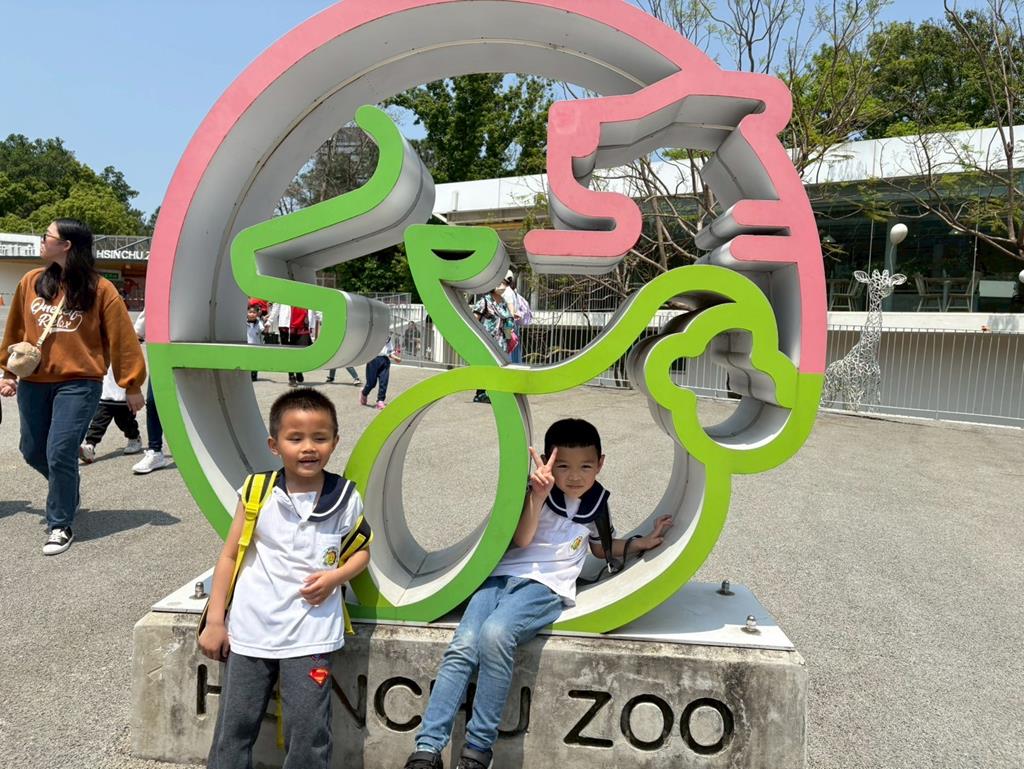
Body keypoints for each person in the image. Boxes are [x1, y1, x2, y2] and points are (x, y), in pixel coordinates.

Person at [402, 418, 674, 769]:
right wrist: (538, 495)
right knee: (463, 645)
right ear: (547, 461)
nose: (574, 476)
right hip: (499, 577)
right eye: (563, 466)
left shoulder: (596, 503)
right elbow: (522, 539)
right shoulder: (537, 492)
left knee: (496, 634)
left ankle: (477, 750)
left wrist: (639, 543)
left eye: (585, 466)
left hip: (546, 587)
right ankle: (427, 749)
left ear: (600, 464)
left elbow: (600, 547)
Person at [198, 388, 371, 769]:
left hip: (311, 636)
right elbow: (229, 555)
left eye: (320, 438)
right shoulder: (257, 492)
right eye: (295, 438)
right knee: (234, 729)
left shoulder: (345, 497)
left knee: (309, 733)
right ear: (274, 445)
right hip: (250, 631)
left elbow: (362, 552)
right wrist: (215, 620)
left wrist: (336, 578)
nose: (308, 448)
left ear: (335, 442)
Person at [0, 218, 146, 555]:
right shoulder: (31, 281)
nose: (41, 240)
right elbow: (16, 329)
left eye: (47, 236)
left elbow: (123, 338)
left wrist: (131, 384)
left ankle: (60, 524)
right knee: (32, 451)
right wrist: (8, 371)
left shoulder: (100, 289)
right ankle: (68, 487)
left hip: (79, 383)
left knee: (60, 451)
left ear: (66, 245)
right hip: (35, 382)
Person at [131, 310, 173, 474]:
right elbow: (138, 332)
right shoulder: (157, 298)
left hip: (191, 351)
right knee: (154, 402)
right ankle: (155, 450)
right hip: (161, 353)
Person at [79, 363, 144, 463]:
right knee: (98, 423)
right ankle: (90, 446)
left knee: (125, 422)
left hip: (124, 395)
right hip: (105, 395)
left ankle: (134, 438)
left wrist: (134, 388)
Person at [470, 286, 514, 404]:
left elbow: (507, 321)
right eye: (500, 283)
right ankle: (480, 394)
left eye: (506, 283)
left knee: (498, 368)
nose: (503, 286)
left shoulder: (503, 303)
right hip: (488, 341)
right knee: (487, 367)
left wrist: (509, 339)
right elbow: (474, 320)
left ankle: (495, 393)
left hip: (501, 342)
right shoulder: (484, 301)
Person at [266, 303, 310, 385]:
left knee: (301, 352)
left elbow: (315, 305)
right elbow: (276, 307)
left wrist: (322, 319)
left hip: (302, 325)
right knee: (289, 353)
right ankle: (291, 376)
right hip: (286, 327)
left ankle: (298, 370)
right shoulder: (282, 294)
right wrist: (269, 322)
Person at [359, 335, 401, 410]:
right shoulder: (372, 334)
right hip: (373, 360)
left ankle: (380, 401)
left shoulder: (387, 337)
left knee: (384, 382)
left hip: (385, 361)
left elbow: (389, 351)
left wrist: (395, 358)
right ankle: (364, 393)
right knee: (371, 383)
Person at [245, 306, 263, 381]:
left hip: (256, 345)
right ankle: (247, 375)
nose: (252, 314)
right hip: (246, 345)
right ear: (247, 313)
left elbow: (262, 330)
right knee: (247, 360)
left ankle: (254, 374)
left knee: (255, 361)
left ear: (257, 314)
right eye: (250, 312)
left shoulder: (259, 323)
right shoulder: (244, 322)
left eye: (254, 312)